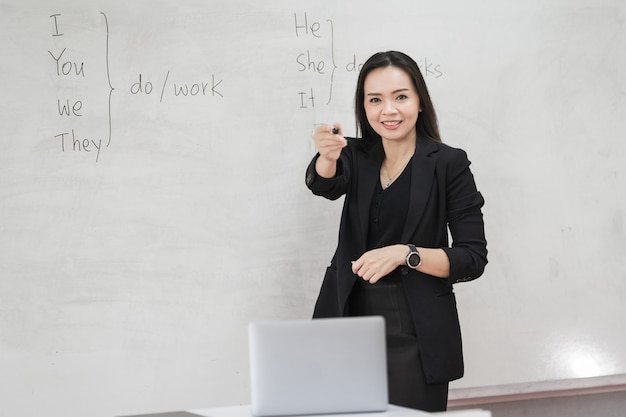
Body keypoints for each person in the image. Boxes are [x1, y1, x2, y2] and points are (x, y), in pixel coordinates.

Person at [304, 51, 488, 412]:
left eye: (400, 97)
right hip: (347, 317)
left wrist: (407, 253)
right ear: (364, 106)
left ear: (420, 101)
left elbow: (472, 258)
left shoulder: (448, 163)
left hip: (415, 326)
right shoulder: (354, 155)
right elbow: (324, 185)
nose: (388, 110)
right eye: (375, 100)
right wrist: (326, 156)